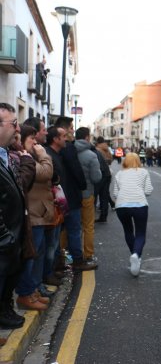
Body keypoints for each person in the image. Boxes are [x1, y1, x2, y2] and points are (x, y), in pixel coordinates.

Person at [14, 125, 55, 311]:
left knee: (35, 254)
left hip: (38, 212)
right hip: (32, 214)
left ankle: (31, 290)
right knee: (30, 256)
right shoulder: (24, 158)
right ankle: (26, 293)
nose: (36, 142)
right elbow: (46, 172)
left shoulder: (29, 157)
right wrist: (43, 154)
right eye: (32, 139)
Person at [52, 117, 96, 272]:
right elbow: (75, 169)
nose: (72, 131)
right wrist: (82, 185)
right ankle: (77, 260)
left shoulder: (49, 149)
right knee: (74, 229)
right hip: (70, 196)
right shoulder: (69, 148)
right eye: (71, 128)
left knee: (59, 231)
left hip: (57, 196)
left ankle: (60, 261)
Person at [0, 103, 27, 329]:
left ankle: (5, 312)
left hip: (12, 235)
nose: (18, 129)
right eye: (14, 124)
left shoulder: (5, 154)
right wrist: (5, 237)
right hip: (4, 238)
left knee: (8, 281)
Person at [113, 153, 153, 276]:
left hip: (121, 205)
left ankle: (134, 255)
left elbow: (115, 193)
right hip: (139, 204)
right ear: (138, 161)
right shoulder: (143, 172)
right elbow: (148, 190)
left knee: (128, 231)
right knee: (140, 233)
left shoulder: (119, 174)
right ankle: (136, 254)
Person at [74, 127, 102, 266]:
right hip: (86, 195)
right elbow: (96, 178)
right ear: (86, 138)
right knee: (88, 226)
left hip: (71, 195)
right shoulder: (91, 155)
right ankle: (88, 254)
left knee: (71, 226)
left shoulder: (68, 151)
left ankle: (67, 254)